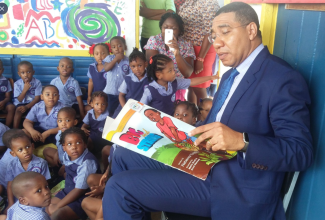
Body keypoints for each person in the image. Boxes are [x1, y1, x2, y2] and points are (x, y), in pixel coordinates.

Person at [102, 2, 313, 220]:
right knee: (123, 154)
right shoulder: (231, 75)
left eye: (225, 32)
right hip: (202, 160)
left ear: (251, 30)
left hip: (233, 186)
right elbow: (210, 125)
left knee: (119, 189)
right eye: (213, 36)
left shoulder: (282, 78)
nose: (217, 43)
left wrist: (243, 141)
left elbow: (300, 152)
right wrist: (170, 132)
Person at [47, 127, 100, 220]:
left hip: (82, 197)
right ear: (64, 147)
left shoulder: (87, 163)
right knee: (46, 208)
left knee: (57, 216)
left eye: (78, 142)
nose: (74, 147)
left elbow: (79, 190)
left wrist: (58, 206)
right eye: (69, 144)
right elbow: (68, 163)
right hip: (68, 191)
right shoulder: (67, 155)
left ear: (85, 144)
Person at [139, 54, 218, 116]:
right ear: (159, 75)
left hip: (172, 122)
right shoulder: (149, 90)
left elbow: (192, 81)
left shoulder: (174, 83)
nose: (174, 72)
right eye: (170, 71)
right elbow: (141, 108)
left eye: (173, 69)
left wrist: (211, 77)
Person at [144, 12, 196, 101]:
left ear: (179, 30)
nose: (169, 31)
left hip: (177, 86)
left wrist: (177, 53)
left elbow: (187, 73)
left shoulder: (186, 44)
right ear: (161, 28)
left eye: (173, 28)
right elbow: (153, 67)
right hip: (157, 85)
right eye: (165, 27)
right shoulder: (154, 40)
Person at [178, 0, 220, 105]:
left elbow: (211, 32)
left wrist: (200, 59)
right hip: (188, 48)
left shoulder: (208, 3)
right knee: (191, 86)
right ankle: (192, 117)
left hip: (202, 50)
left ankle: (204, 117)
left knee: (199, 88)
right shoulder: (189, 1)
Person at [5, 132, 51, 211]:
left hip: (38, 197)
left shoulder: (41, 163)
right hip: (20, 199)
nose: (25, 151)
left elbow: (45, 184)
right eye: (20, 150)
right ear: (13, 153)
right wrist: (10, 204)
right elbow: (10, 185)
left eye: (27, 147)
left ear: (32, 146)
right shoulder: (11, 165)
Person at [112, 47, 149, 118]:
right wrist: (124, 108)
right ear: (130, 66)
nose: (137, 69)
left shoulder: (150, 79)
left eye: (139, 65)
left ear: (146, 64)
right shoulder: (128, 78)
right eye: (133, 66)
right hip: (126, 107)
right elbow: (121, 95)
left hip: (141, 110)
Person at [43, 107, 78, 175]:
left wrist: (66, 165)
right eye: (60, 121)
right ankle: (56, 170)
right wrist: (57, 153)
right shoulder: (60, 133)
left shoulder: (75, 136)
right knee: (46, 151)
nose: (63, 124)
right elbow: (59, 146)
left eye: (67, 120)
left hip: (71, 162)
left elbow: (76, 155)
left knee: (66, 174)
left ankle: (60, 174)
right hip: (61, 157)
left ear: (75, 122)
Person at [103, 36, 132, 117]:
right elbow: (106, 68)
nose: (117, 49)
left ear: (125, 47)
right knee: (111, 113)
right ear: (111, 50)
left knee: (122, 113)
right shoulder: (109, 58)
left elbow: (130, 77)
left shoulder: (128, 61)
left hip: (123, 94)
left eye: (119, 46)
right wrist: (115, 59)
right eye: (113, 47)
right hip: (110, 93)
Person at [13, 61, 42, 128]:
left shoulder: (37, 83)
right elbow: (19, 100)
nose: (26, 75)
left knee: (35, 109)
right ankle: (15, 129)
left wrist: (27, 107)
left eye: (28, 72)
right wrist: (24, 90)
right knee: (19, 110)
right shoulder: (17, 84)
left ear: (33, 72)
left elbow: (37, 99)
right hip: (21, 103)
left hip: (32, 103)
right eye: (23, 73)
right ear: (19, 74)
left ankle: (34, 129)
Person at [85, 43, 110, 112]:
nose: (100, 56)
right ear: (93, 55)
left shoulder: (110, 67)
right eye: (97, 54)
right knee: (88, 109)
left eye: (103, 53)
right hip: (96, 97)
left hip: (108, 97)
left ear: (108, 54)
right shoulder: (91, 67)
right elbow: (91, 82)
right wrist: (89, 95)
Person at [0, 60, 15, 127]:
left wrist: (3, 102)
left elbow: (8, 97)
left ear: (2, 70)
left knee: (11, 107)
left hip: (4, 102)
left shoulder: (6, 81)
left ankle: (7, 128)